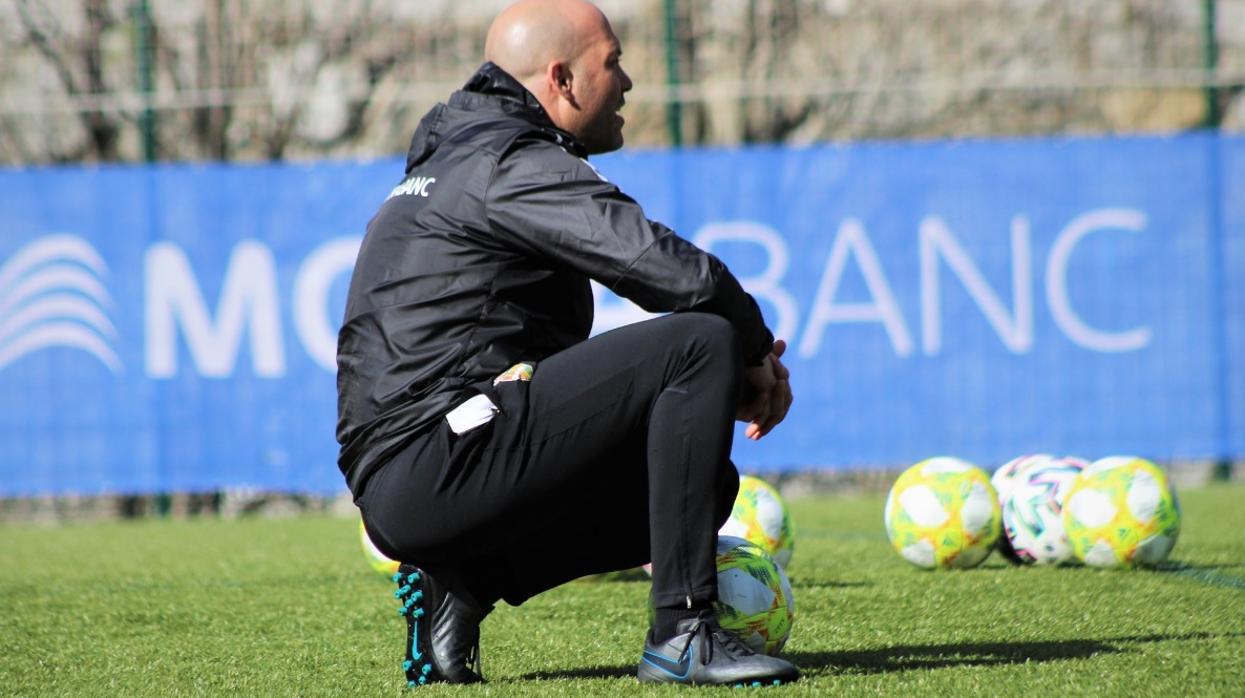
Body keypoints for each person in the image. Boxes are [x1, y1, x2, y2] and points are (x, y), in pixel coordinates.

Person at [335, 0, 797, 687]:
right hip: (437, 457)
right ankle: (683, 634)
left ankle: (460, 585)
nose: (628, 82)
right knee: (697, 341)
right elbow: (660, 267)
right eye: (612, 63)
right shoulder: (506, 160)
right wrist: (753, 349)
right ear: (563, 79)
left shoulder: (464, 155)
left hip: (413, 471)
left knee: (701, 483)